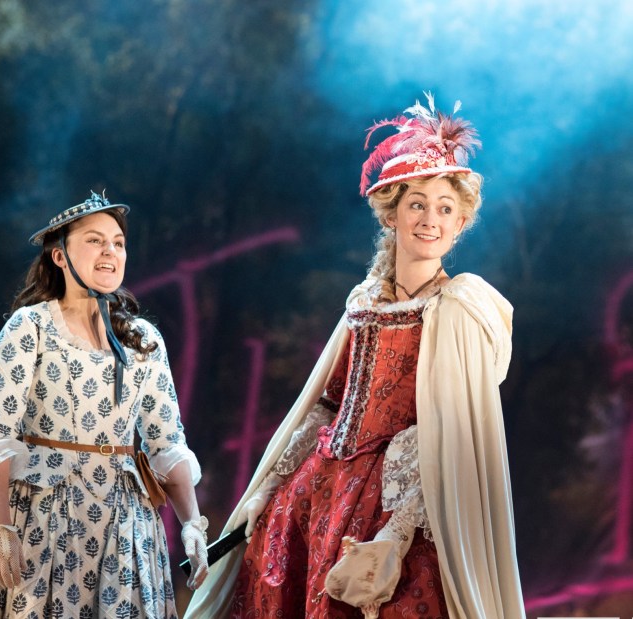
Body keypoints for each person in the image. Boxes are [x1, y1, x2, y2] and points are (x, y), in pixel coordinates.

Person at [185, 94, 525, 618]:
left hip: (399, 500)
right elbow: (328, 402)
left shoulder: (459, 307)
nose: (430, 219)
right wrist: (269, 487)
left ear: (460, 224)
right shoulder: (363, 303)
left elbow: (452, 435)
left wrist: (399, 526)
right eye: (417, 204)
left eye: (445, 208)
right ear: (391, 214)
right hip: (317, 490)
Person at [0, 191, 208, 618]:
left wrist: (192, 522)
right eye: (94, 240)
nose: (110, 251)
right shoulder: (31, 326)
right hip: (42, 516)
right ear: (59, 256)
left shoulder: (143, 340)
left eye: (118, 243)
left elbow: (166, 441)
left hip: (123, 524)